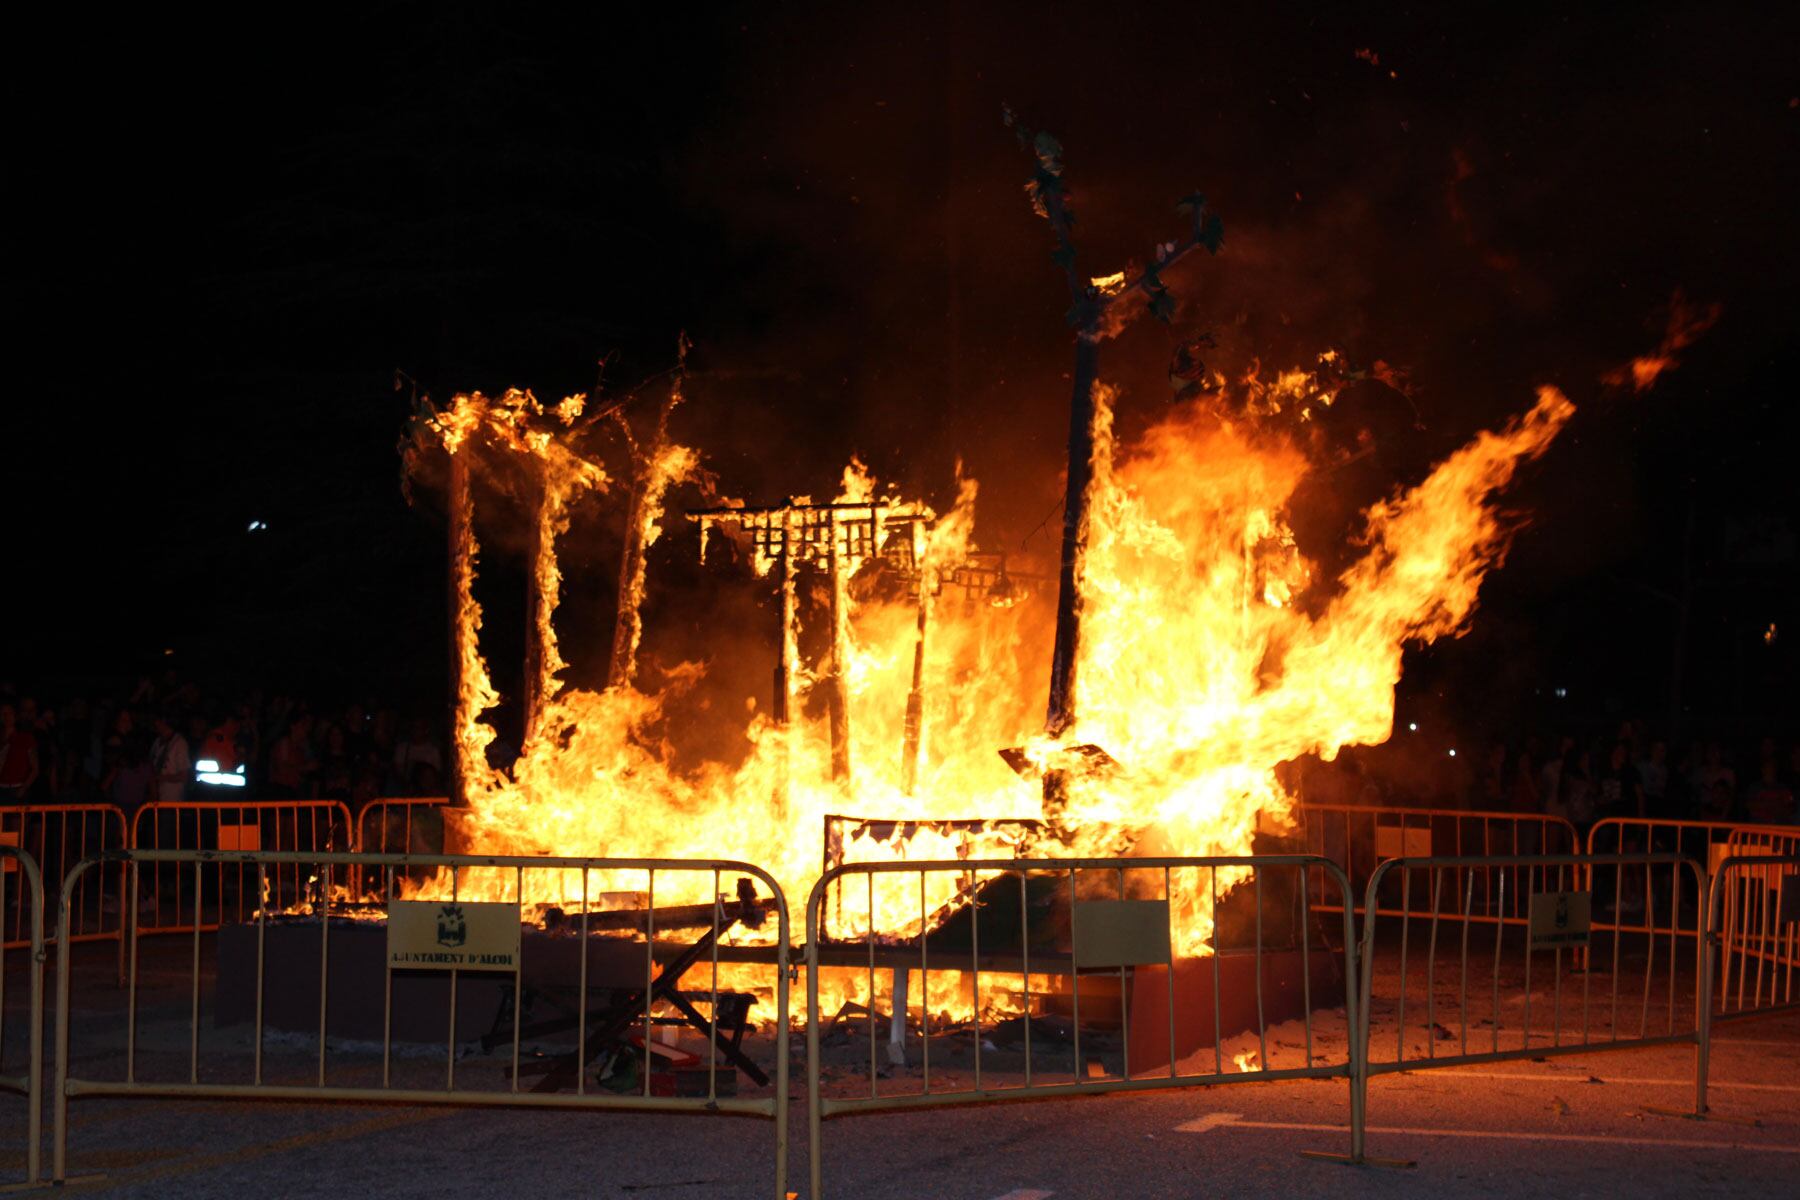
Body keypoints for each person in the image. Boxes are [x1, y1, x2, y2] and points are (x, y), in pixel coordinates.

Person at [0, 702, 39, 804]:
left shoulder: (26, 738)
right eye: (3, 713)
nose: (6, 716)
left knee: (17, 819)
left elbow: (35, 768)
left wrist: (24, 788)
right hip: (1, 789)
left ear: (15, 716)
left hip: (18, 789)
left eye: (9, 713)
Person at [392, 719, 443, 796]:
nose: (416, 731)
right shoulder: (402, 749)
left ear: (426, 730)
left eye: (419, 728)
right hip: (407, 792)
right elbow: (397, 772)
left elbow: (437, 773)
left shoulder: (433, 750)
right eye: (414, 727)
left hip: (428, 794)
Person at [149, 712, 190, 804]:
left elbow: (184, 776)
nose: (154, 723)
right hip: (156, 798)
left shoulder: (179, 743)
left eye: (156, 720)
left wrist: (161, 778)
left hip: (172, 799)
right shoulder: (157, 742)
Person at [1742, 759, 1796, 825]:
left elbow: (1791, 808)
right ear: (1762, 769)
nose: (1770, 769)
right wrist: (1768, 804)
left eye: (1772, 767)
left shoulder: (1783, 788)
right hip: (1759, 828)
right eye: (1767, 767)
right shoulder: (1755, 787)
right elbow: (1749, 805)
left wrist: (1779, 808)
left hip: (1779, 828)